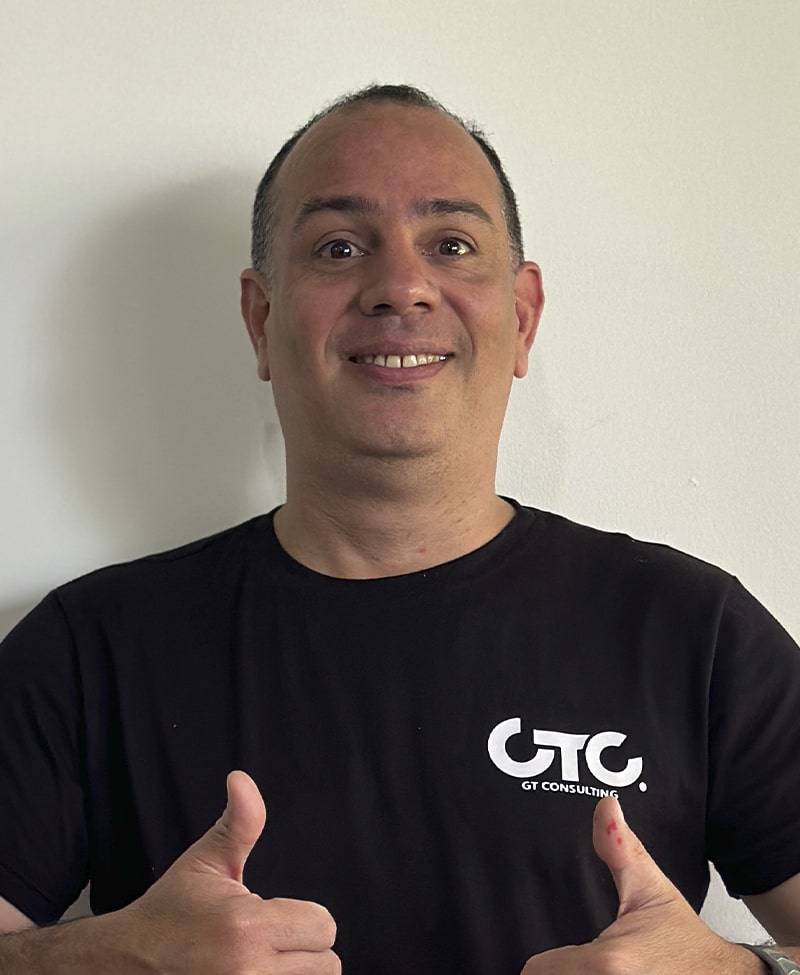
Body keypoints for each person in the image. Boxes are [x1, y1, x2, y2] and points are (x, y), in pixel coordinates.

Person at [0, 83, 799, 975]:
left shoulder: (694, 633)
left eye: (451, 243)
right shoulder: (90, 649)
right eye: (339, 247)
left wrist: (744, 972)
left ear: (522, 315)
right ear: (262, 319)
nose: (401, 287)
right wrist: (98, 960)